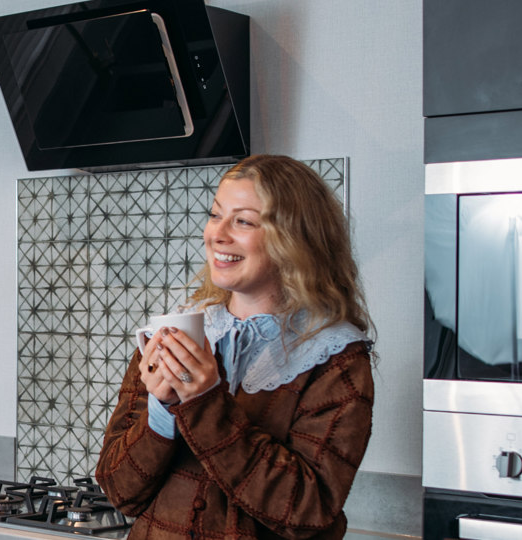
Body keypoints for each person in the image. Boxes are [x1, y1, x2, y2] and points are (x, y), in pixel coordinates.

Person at [96, 154, 376, 540]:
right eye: (215, 215)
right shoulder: (175, 333)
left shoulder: (335, 356)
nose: (217, 234)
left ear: (295, 237)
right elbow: (119, 491)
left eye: (243, 221)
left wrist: (205, 402)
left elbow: (306, 511)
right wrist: (162, 411)